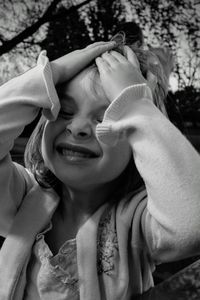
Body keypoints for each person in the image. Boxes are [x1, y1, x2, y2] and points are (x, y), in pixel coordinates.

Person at [0, 35, 200, 300]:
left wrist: (135, 103)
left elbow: (192, 225)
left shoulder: (139, 223)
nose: (78, 128)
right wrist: (49, 73)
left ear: (137, 138)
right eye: (65, 112)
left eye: (108, 116)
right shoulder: (20, 198)